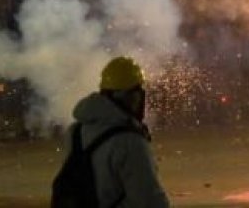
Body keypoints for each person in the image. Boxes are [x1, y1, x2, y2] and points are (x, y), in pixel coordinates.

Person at [59, 56, 170, 208]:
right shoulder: (130, 142)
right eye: (137, 92)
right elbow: (149, 200)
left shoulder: (75, 132)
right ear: (130, 96)